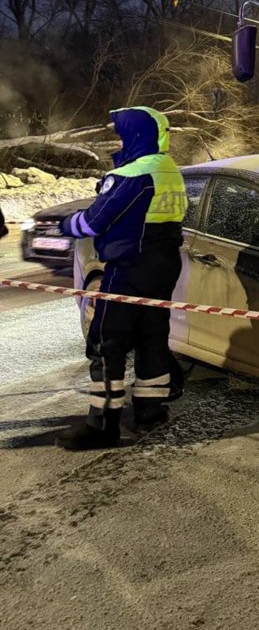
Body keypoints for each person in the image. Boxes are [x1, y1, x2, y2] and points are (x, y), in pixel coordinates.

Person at [56, 106, 188, 451]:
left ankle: (102, 424)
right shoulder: (168, 169)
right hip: (163, 263)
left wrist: (63, 224)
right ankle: (150, 411)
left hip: (129, 266)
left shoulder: (134, 174)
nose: (118, 140)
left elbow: (93, 223)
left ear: (136, 135)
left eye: (122, 134)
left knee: (105, 342)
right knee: (152, 338)